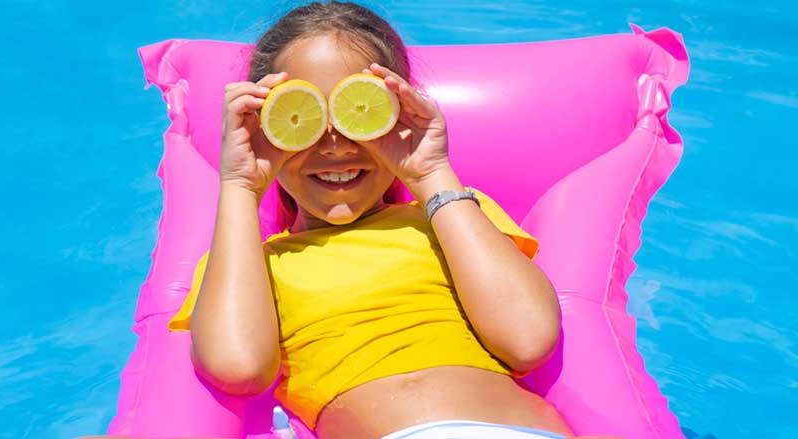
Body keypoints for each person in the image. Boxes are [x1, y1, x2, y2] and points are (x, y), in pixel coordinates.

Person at [80, 2, 624, 438]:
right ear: (265, 125)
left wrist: (432, 172)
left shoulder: (451, 220)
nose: (334, 145)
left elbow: (528, 339)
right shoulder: (251, 265)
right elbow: (239, 366)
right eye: (301, 117)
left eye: (359, 111)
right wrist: (241, 186)